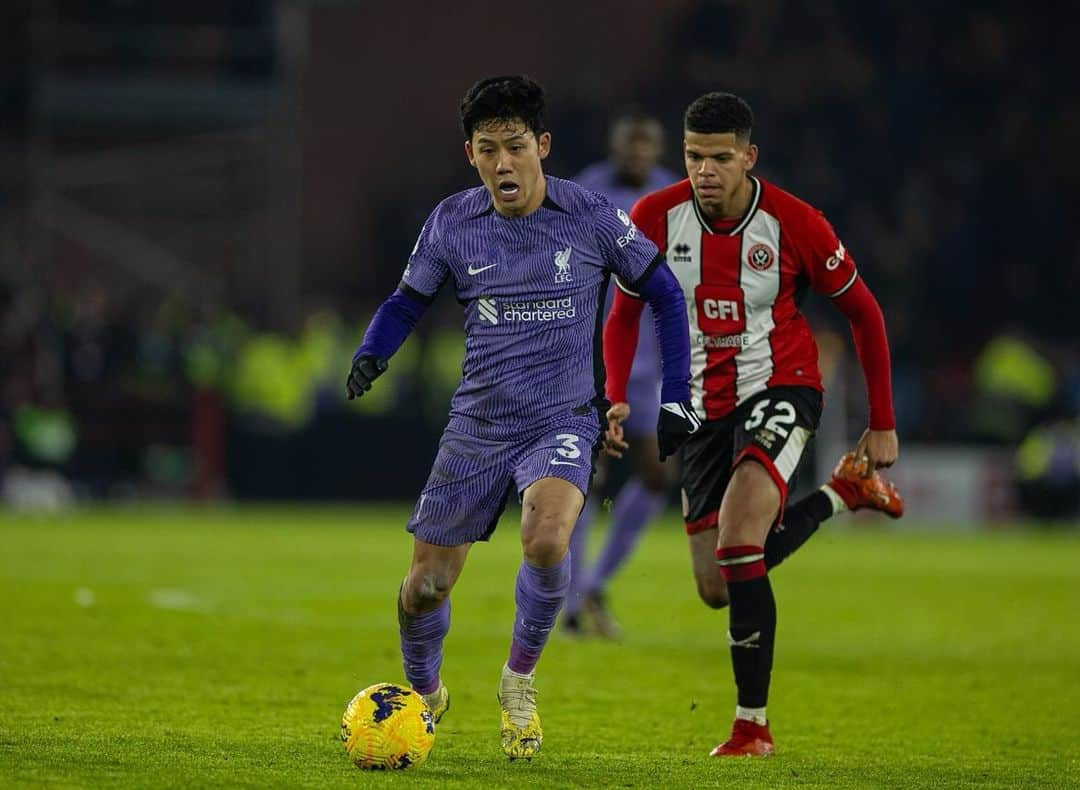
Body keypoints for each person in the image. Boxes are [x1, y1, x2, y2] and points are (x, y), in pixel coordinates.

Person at [345, 75, 699, 761]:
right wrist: (373, 351)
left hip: (562, 418)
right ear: (470, 154)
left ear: (542, 145)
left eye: (514, 146)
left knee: (546, 538)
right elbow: (405, 302)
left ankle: (518, 683)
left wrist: (677, 393)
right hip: (477, 423)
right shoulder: (452, 221)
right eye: (487, 150)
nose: (502, 163)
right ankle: (426, 693)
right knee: (426, 588)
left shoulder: (591, 216)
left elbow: (662, 291)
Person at [603, 92, 903, 757]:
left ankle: (752, 727)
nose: (705, 171)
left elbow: (865, 314)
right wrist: (615, 396)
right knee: (717, 586)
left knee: (741, 541)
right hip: (702, 411)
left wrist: (882, 422)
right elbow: (622, 313)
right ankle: (840, 495)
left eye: (720, 157)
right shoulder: (654, 216)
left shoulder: (796, 223)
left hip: (781, 386)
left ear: (749, 157)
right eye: (693, 156)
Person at [562, 109, 680, 639]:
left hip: (647, 355)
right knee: (583, 472)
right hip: (589, 347)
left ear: (655, 151)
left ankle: (590, 583)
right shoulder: (588, 191)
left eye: (646, 148)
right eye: (629, 147)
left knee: (657, 470)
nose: (637, 156)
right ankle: (567, 600)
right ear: (616, 148)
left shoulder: (671, 195)